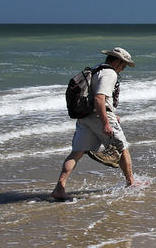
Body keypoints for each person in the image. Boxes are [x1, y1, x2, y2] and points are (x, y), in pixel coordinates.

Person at [51, 47, 137, 201]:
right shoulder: (110, 73)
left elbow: (93, 97)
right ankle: (131, 183)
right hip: (100, 116)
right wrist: (106, 122)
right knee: (123, 149)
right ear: (117, 61)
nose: (123, 69)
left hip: (85, 117)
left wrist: (111, 113)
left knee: (76, 153)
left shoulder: (96, 69)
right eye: (123, 65)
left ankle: (59, 187)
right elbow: (99, 98)